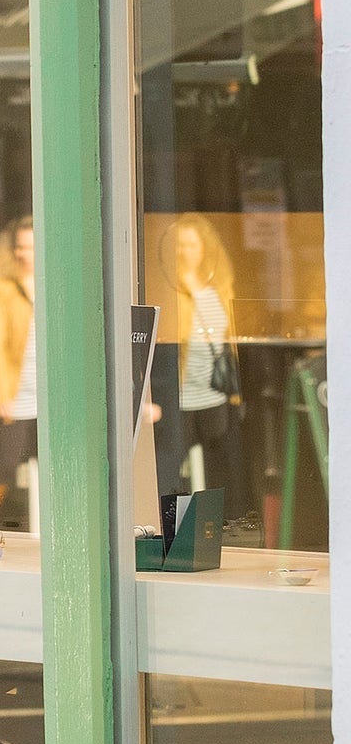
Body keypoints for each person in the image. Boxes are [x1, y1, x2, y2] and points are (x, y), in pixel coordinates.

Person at [161, 214, 247, 517]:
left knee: (222, 471)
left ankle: (224, 526)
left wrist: (235, 391)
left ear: (204, 248)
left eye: (191, 244)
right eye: (179, 245)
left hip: (215, 394)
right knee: (173, 472)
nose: (185, 251)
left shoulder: (220, 285)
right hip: (180, 397)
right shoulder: (167, 287)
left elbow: (230, 341)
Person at [0, 216, 37, 529]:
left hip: (53, 395)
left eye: (31, 247)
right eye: (19, 247)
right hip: (17, 394)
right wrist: (1, 395)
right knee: (5, 465)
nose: (25, 254)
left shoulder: (58, 286)